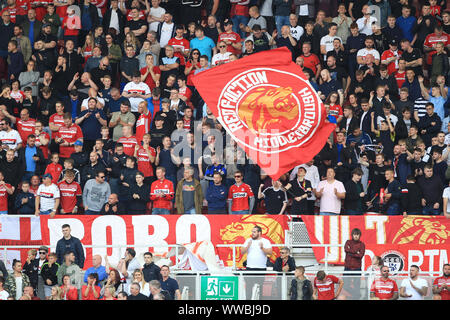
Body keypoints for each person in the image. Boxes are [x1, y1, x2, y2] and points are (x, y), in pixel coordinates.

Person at [343, 228, 365, 300]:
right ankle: (357, 295)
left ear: (359, 235)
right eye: (354, 234)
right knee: (345, 285)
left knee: (357, 285)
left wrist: (350, 253)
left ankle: (356, 297)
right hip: (348, 267)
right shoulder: (348, 242)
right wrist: (356, 252)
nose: (356, 236)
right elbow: (346, 249)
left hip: (357, 267)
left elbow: (360, 255)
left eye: (357, 235)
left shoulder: (362, 244)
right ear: (352, 235)